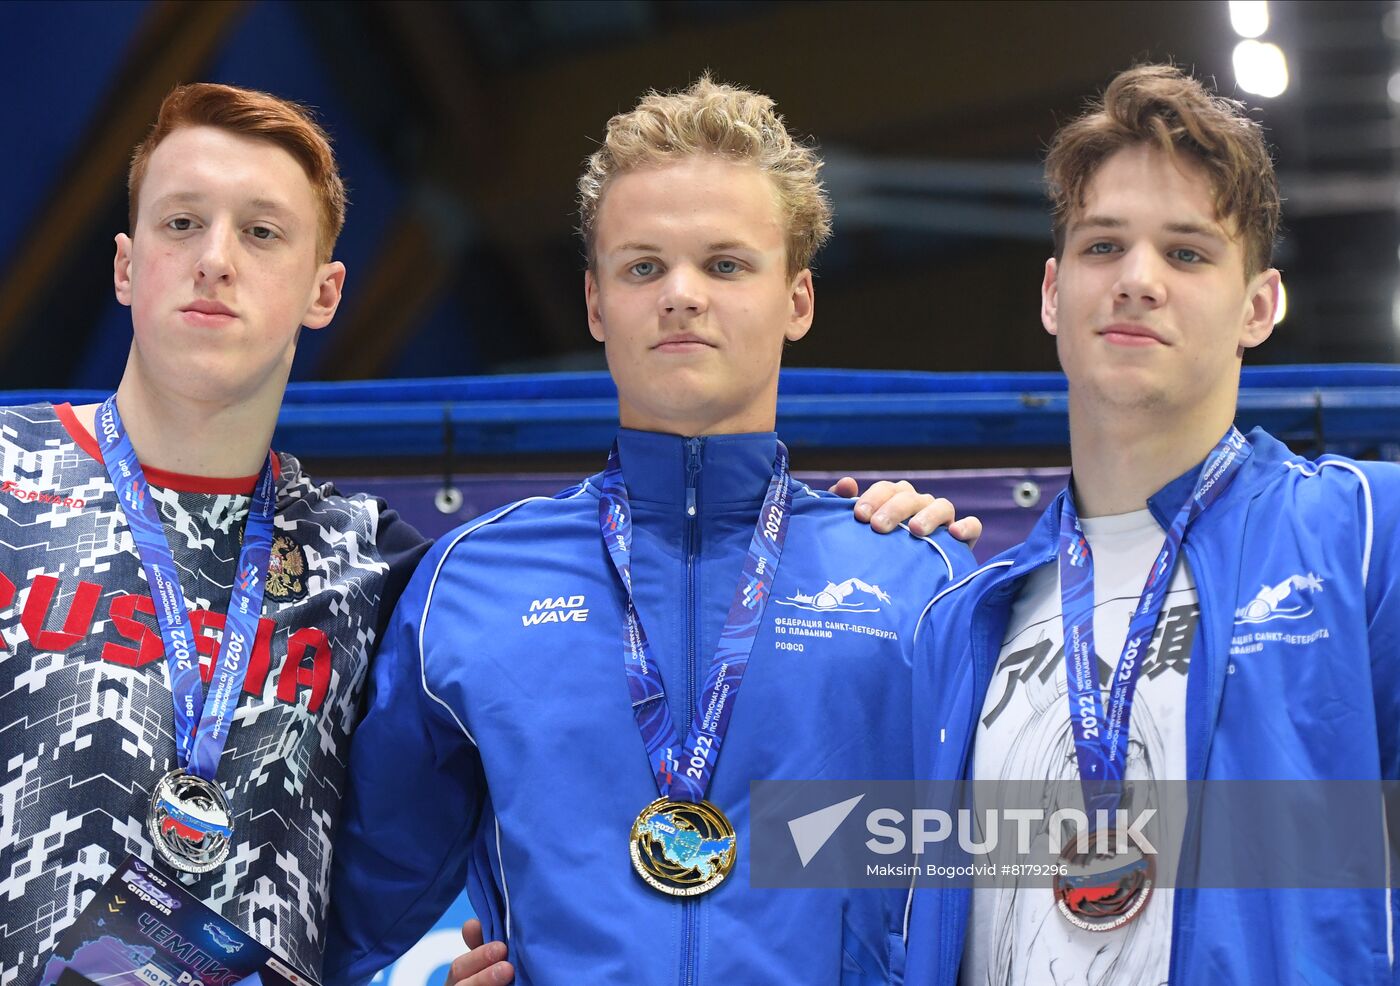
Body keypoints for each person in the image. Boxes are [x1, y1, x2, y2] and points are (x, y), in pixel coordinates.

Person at [324, 76, 978, 985]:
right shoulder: (471, 585)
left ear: (798, 300)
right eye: (643, 266)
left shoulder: (919, 580)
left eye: (725, 264)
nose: (681, 295)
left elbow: (1029, 898)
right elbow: (331, 924)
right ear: (596, 305)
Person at [893, 64, 1400, 985]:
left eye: (1188, 252)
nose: (1137, 281)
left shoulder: (1364, 535)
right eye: (1102, 247)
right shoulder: (965, 619)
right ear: (1053, 295)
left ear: (1259, 306)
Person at [0, 82, 516, 984]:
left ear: (324, 292)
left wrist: (850, 531)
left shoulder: (375, 564)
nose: (215, 260)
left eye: (262, 232)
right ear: (125, 267)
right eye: (181, 223)